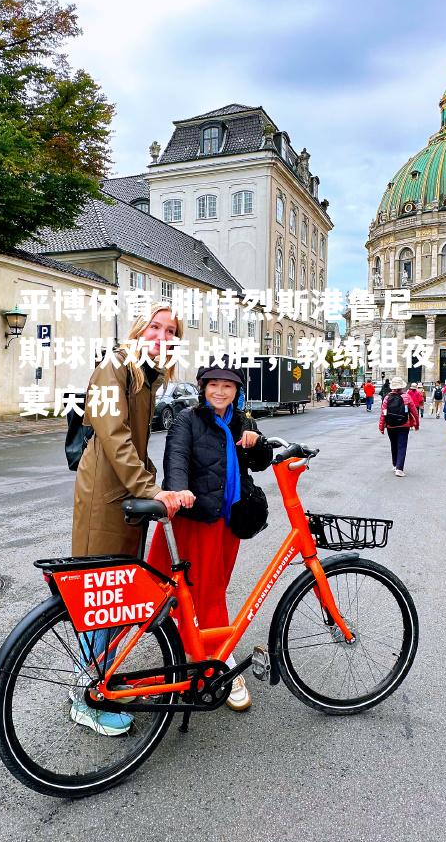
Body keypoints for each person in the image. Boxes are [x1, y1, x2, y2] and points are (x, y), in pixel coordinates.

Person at [70, 303, 186, 736]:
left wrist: (156, 485)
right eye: (153, 327)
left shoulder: (145, 375)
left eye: (169, 331)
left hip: (125, 498)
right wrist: (150, 489)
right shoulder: (114, 365)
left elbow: (136, 445)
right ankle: (88, 694)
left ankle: (100, 680)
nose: (160, 335)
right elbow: (115, 436)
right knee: (97, 597)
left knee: (114, 597)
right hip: (105, 498)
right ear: (139, 330)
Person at [147, 357, 273, 712]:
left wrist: (256, 442)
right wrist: (177, 491)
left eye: (228, 385)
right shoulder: (189, 419)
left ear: (237, 391)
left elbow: (262, 460)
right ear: (203, 388)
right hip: (195, 520)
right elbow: (177, 458)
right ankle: (222, 665)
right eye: (214, 384)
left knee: (211, 587)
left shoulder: (242, 422)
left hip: (226, 522)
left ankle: (194, 646)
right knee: (199, 592)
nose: (220, 390)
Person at [378, 376, 419, 477]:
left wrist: (381, 426)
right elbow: (414, 411)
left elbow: (383, 413)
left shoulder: (387, 398)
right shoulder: (406, 397)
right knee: (402, 446)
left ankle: (395, 464)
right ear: (402, 387)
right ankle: (399, 469)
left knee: (394, 444)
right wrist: (416, 424)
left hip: (391, 425)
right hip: (404, 425)